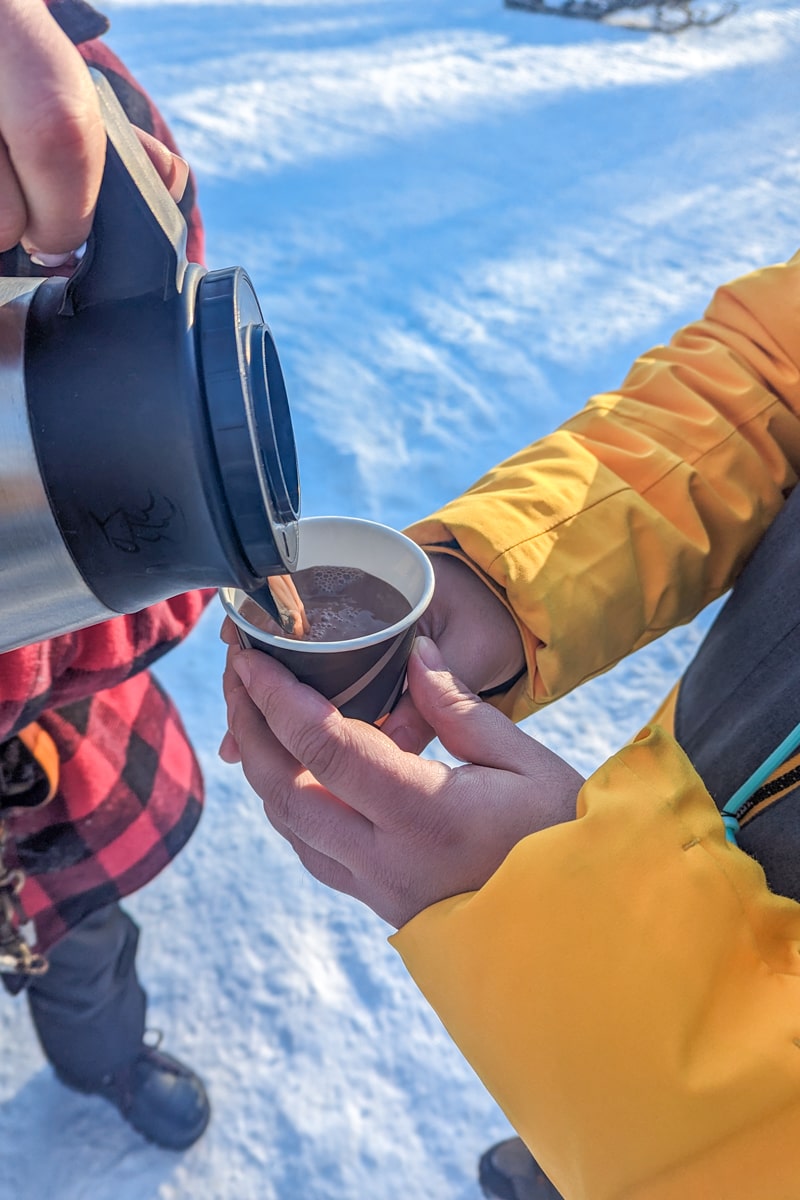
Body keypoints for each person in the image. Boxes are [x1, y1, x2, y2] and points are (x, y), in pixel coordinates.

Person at [221, 243, 800, 1198]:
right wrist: (500, 579)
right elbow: (769, 376)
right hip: (659, 861)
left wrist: (568, 921)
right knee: (572, 1130)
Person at [0, 0, 211, 1151]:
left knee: (80, 946)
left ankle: (104, 1062)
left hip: (56, 746)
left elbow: (171, 487)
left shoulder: (93, 120)